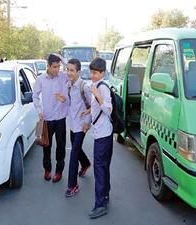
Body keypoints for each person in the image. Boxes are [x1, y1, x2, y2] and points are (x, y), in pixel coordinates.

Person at [33, 54, 68, 183]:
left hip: (60, 118)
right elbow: (35, 96)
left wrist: (60, 57)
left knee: (61, 146)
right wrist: (39, 110)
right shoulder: (41, 79)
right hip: (47, 118)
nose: (57, 69)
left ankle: (59, 171)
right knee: (46, 146)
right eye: (54, 67)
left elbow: (71, 67)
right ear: (48, 66)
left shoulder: (63, 77)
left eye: (59, 66)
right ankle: (47, 169)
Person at [87, 57, 113, 219]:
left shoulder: (102, 88)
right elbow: (98, 107)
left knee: (99, 168)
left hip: (103, 135)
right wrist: (89, 110)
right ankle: (105, 196)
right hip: (103, 133)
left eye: (96, 73)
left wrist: (97, 95)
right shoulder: (97, 86)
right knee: (103, 167)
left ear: (103, 73)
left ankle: (100, 204)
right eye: (91, 72)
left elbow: (108, 109)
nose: (93, 75)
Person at [64, 58, 92, 197]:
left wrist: (87, 122)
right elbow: (71, 104)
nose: (69, 72)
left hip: (82, 125)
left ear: (78, 72)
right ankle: (86, 163)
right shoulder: (69, 85)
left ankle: (72, 185)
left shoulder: (84, 87)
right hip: (72, 124)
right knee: (77, 148)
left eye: (72, 70)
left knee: (74, 153)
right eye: (67, 69)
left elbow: (93, 106)